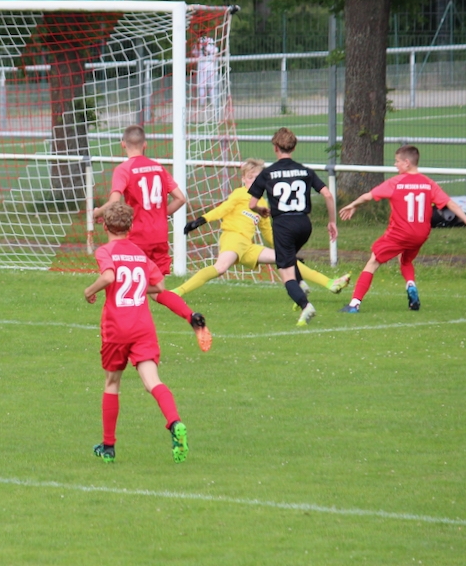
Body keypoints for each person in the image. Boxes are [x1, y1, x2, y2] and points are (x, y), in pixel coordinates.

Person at [84, 203, 208, 465]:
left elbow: (109, 277)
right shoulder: (139, 254)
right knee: (153, 381)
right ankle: (174, 422)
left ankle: (108, 446)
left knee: (112, 383)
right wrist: (142, 289)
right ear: (130, 227)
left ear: (105, 226)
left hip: (117, 327)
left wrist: (89, 291)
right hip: (142, 327)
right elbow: (160, 286)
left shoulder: (105, 251)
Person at [93, 125, 207, 345]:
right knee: (156, 290)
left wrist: (97, 213)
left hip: (137, 238)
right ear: (145, 145)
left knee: (122, 284)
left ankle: (126, 338)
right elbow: (181, 198)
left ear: (123, 144)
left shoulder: (124, 169)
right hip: (160, 236)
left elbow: (115, 202)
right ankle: (191, 316)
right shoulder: (158, 168)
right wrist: (159, 215)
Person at [338, 144, 466, 313]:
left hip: (400, 233)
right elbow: (452, 205)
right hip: (420, 234)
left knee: (373, 261)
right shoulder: (428, 183)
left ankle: (354, 304)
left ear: (407, 162)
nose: (395, 165)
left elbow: (367, 196)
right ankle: (411, 285)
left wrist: (353, 205)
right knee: (405, 260)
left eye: (397, 161)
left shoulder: (396, 182)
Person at [179, 158, 350, 297]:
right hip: (233, 239)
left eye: (257, 177)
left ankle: (330, 283)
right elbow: (222, 209)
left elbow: (268, 233)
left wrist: (286, 250)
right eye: (250, 177)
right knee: (221, 268)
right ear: (243, 179)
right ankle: (177, 292)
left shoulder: (261, 203)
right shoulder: (239, 194)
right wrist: (201, 220)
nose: (254, 181)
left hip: (248, 246)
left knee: (286, 259)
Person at [247, 128, 338, 327]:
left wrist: (261, 210)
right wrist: (332, 221)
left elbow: (252, 204)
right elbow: (328, 194)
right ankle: (302, 284)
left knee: (285, 273)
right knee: (288, 256)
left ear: (275, 148)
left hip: (283, 226)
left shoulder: (268, 173)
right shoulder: (305, 171)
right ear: (294, 148)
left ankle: (306, 305)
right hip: (304, 225)